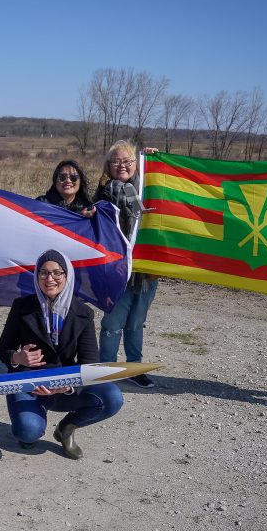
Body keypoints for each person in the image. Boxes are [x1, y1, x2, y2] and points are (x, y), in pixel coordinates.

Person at [0, 249, 123, 460]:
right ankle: (33, 419)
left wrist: (70, 385)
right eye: (43, 273)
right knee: (27, 432)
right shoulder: (22, 307)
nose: (50, 279)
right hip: (30, 384)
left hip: (65, 387)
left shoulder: (83, 313)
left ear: (67, 275)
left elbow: (89, 363)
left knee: (112, 398)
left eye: (57, 273)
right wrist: (17, 358)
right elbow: (3, 349)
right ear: (37, 276)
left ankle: (66, 428)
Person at [94, 140, 158, 387]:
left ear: (136, 164)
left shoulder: (150, 188)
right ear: (108, 166)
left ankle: (134, 368)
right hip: (117, 272)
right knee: (112, 324)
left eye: (128, 160)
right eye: (116, 161)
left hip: (146, 273)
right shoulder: (103, 194)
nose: (122, 165)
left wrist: (152, 159)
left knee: (135, 323)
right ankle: (107, 370)